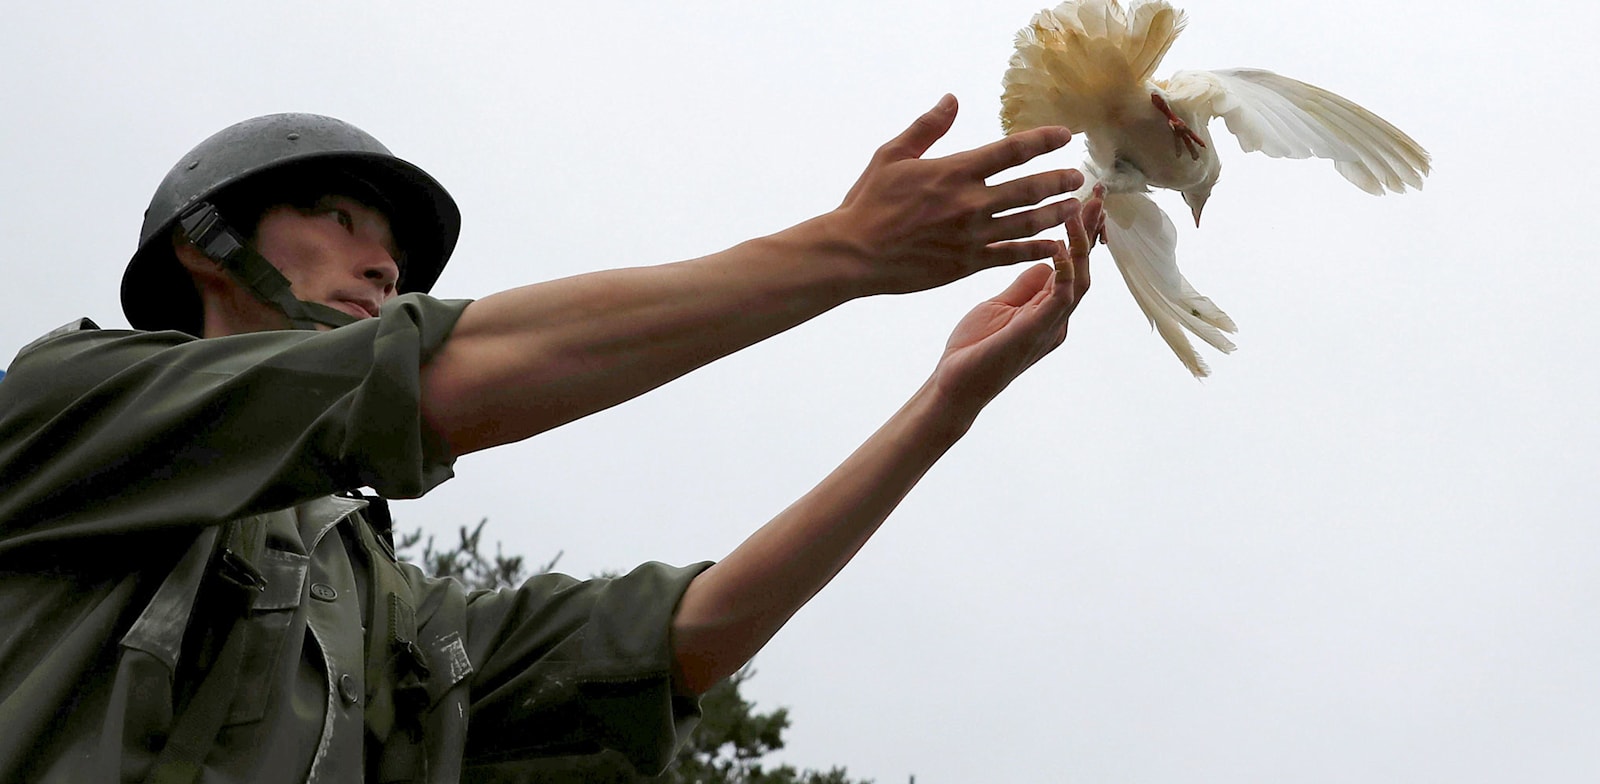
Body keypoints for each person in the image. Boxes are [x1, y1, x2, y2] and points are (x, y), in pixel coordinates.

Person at [0, 97, 1103, 783]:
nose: (382, 265)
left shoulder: (373, 602)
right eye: (340, 218)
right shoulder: (71, 405)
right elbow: (441, 378)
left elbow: (687, 635)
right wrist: (842, 252)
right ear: (207, 246)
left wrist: (942, 408)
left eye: (393, 252)